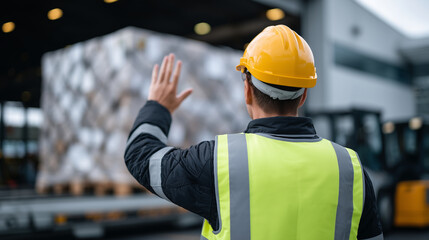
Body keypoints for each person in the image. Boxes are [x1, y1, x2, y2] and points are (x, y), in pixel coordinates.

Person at [124, 25, 383, 240]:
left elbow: (140, 156)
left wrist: (158, 107)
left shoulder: (218, 162)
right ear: (303, 94)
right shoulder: (351, 170)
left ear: (247, 88)